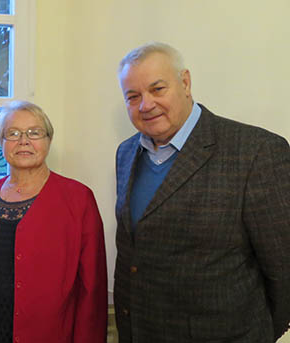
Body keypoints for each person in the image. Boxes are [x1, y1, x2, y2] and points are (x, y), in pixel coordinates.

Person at [114, 42, 290, 342]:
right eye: (133, 96)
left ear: (185, 83)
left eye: (157, 89)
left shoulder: (257, 152)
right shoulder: (127, 152)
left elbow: (282, 267)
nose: (146, 105)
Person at [0, 100, 108, 343]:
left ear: (48, 140)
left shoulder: (79, 199)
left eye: (34, 133)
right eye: (13, 133)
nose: (24, 141)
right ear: (1, 142)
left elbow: (92, 288)